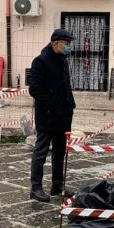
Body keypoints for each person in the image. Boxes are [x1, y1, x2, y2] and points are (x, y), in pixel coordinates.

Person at [28, 28, 77, 203]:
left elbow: (64, 86)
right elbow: (34, 88)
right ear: (56, 43)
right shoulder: (40, 61)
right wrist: (51, 104)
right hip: (47, 115)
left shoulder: (63, 61)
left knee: (60, 151)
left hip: (63, 115)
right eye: (67, 44)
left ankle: (57, 186)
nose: (69, 47)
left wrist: (69, 104)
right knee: (41, 151)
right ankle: (36, 188)